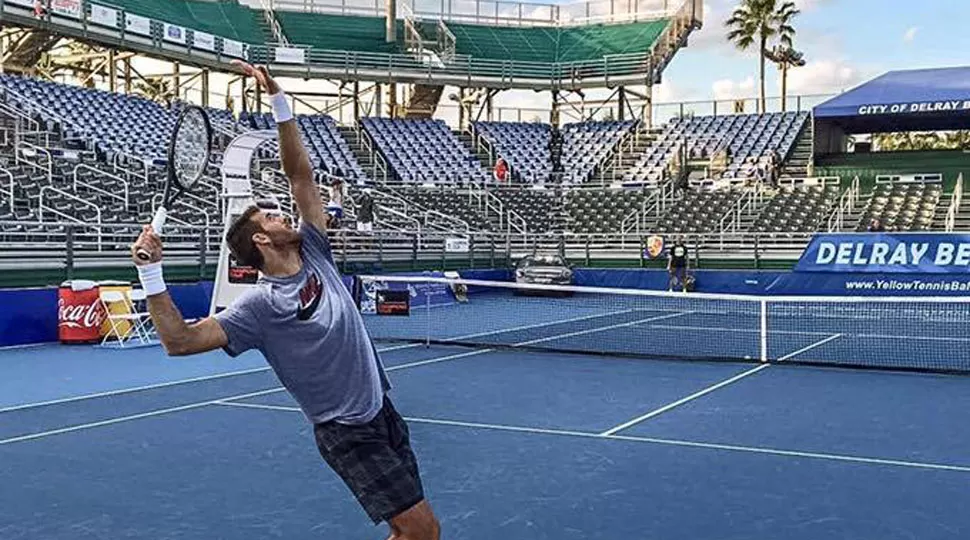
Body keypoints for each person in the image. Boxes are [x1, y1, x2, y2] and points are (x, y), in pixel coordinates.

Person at [129, 61, 440, 540]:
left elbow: (300, 175)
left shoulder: (315, 249)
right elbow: (180, 341)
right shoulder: (259, 307)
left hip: (381, 410)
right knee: (422, 531)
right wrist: (150, 272)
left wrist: (279, 103)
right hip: (348, 431)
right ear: (262, 242)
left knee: (411, 533)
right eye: (271, 216)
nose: (282, 212)